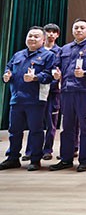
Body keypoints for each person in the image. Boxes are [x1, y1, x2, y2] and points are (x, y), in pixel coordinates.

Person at [49, 19, 86, 172]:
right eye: (76, 28)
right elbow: (55, 66)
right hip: (67, 92)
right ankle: (66, 159)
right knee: (67, 127)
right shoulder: (65, 49)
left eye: (82, 28)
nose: (79, 30)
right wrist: (56, 73)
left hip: (85, 93)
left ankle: (84, 160)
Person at [0, 26, 55, 171]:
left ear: (43, 40)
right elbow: (8, 68)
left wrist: (35, 77)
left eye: (36, 36)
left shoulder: (48, 56)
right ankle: (12, 158)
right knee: (14, 130)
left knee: (36, 131)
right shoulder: (18, 55)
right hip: (17, 99)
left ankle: (35, 159)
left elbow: (50, 76)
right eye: (30, 36)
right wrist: (7, 75)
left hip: (36, 100)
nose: (32, 39)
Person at [22, 23, 61, 162]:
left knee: (51, 122)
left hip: (53, 91)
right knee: (34, 123)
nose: (51, 34)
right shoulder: (34, 51)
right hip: (36, 91)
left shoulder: (60, 51)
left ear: (57, 35)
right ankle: (30, 151)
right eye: (48, 31)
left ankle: (47, 150)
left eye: (53, 32)